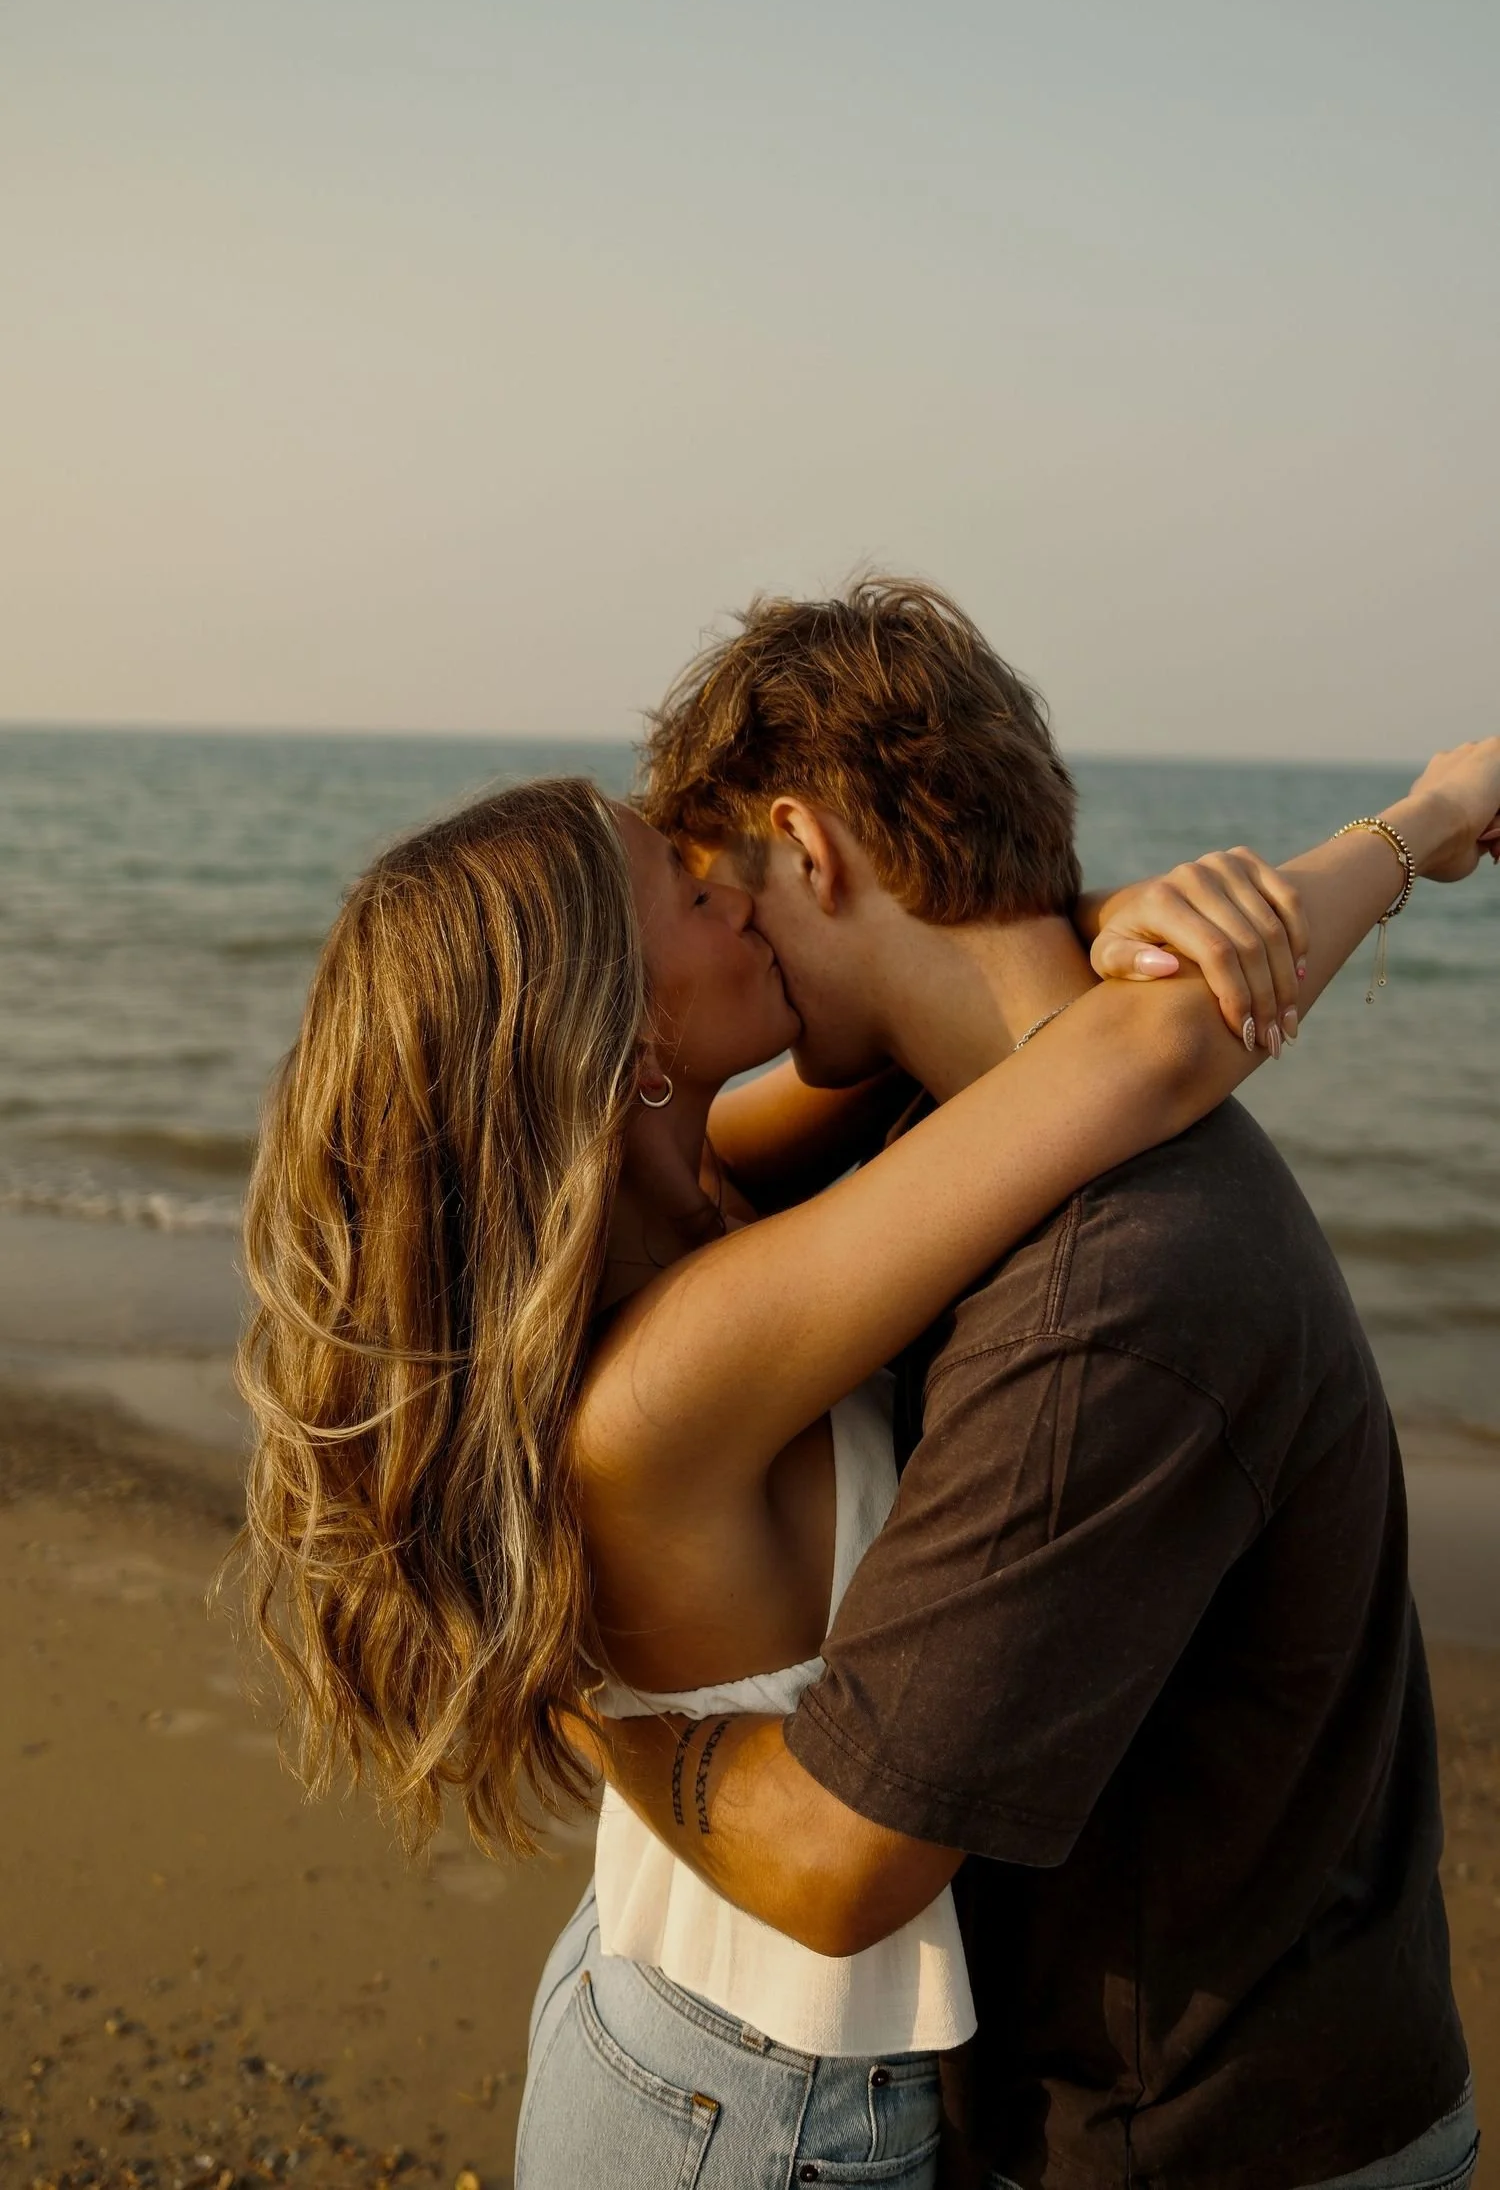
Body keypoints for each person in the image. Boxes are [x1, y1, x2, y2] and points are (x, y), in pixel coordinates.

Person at [234, 585, 1500, 2190]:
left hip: (695, 2024)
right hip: (747, 2099)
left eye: (720, 863)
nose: (727, 898)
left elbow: (995, 1042)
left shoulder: (715, 1187)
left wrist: (1091, 914)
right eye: (683, 884)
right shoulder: (678, 1355)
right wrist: (1422, 821)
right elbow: (1142, 1057)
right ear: (620, 1036)